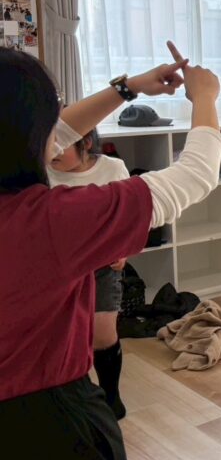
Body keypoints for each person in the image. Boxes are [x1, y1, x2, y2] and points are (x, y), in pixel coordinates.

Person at [0, 42, 221, 460]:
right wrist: (205, 98)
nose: (60, 132)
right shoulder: (50, 221)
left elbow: (51, 135)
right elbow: (195, 175)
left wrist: (128, 89)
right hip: (51, 429)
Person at [49, 129, 132, 420]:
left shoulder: (113, 168)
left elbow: (128, 215)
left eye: (61, 145)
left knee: (103, 334)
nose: (53, 152)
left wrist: (123, 250)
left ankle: (111, 397)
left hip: (102, 264)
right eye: (49, 143)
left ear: (85, 143)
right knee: (63, 337)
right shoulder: (41, 172)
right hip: (58, 268)